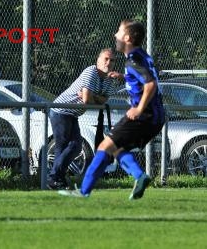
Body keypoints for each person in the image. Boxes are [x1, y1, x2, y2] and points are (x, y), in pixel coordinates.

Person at [60, 19, 165, 199]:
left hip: (144, 115)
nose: (115, 35)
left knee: (105, 146)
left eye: (118, 31)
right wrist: (124, 77)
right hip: (156, 117)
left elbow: (150, 84)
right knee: (116, 149)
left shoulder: (132, 61)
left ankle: (83, 191)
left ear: (127, 38)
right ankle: (140, 176)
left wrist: (139, 109)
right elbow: (143, 78)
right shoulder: (140, 56)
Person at [48, 48, 119, 190]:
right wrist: (93, 98)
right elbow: (87, 100)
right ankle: (54, 178)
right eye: (106, 59)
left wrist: (93, 96)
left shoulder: (110, 79)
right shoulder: (91, 71)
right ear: (98, 61)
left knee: (75, 146)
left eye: (112, 60)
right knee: (67, 145)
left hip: (73, 114)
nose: (108, 63)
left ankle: (56, 179)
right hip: (61, 110)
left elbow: (103, 101)